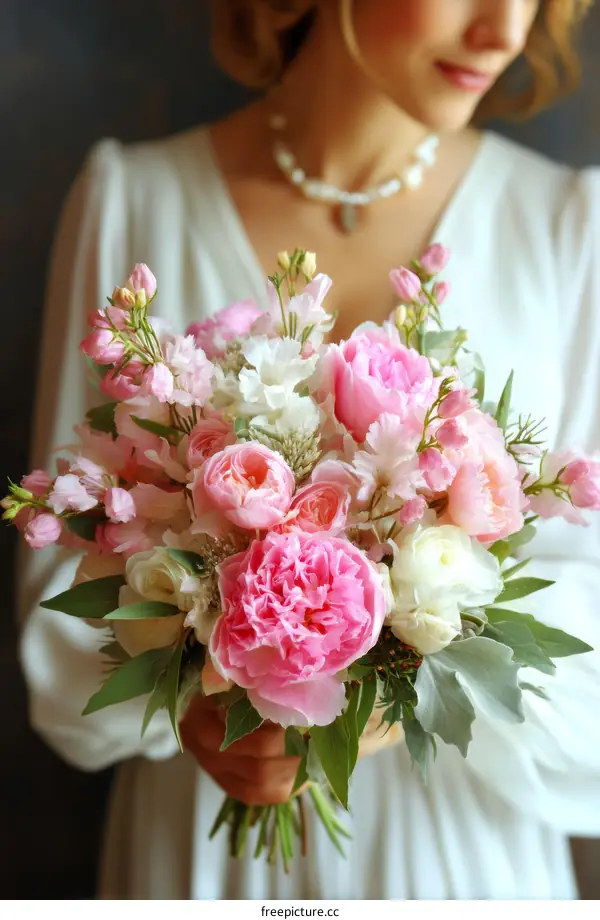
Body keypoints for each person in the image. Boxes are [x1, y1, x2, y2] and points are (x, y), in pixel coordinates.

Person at [18, 0, 600, 900]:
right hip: (206, 868)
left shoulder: (568, 226)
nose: (506, 32)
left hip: (462, 867)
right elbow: (60, 562)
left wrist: (397, 667)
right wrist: (198, 691)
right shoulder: (134, 198)